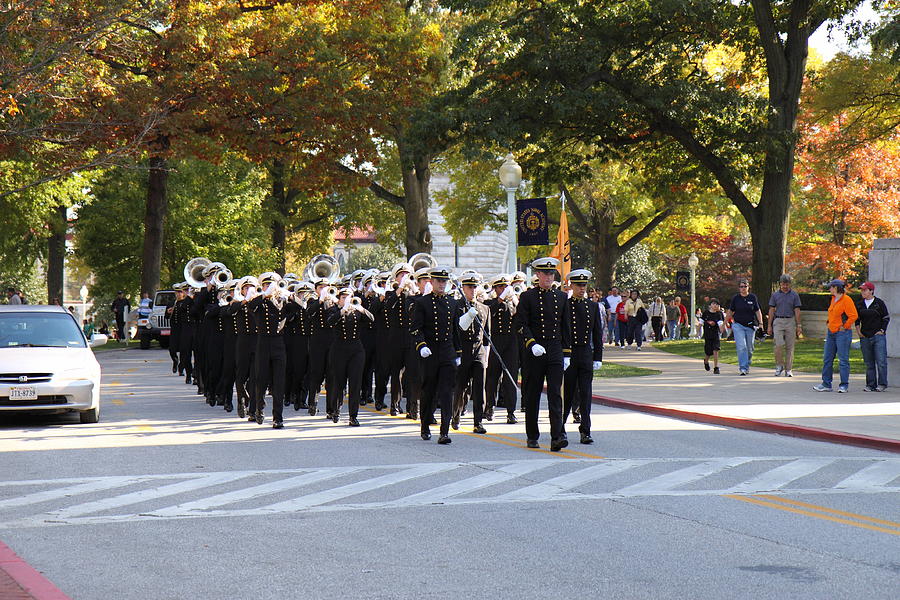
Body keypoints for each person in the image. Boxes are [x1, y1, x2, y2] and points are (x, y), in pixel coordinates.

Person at [515, 257, 568, 451]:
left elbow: (566, 327)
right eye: (545, 273)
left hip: (554, 349)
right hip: (534, 351)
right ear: (537, 275)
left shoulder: (561, 297)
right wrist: (531, 343)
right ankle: (532, 435)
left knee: (555, 393)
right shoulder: (528, 297)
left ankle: (557, 436)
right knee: (532, 394)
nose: (549, 277)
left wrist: (567, 353)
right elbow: (521, 324)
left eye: (551, 273)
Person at [411, 267, 460, 444]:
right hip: (430, 352)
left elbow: (455, 331)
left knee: (447, 393)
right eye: (439, 281)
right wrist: (421, 345)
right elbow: (416, 328)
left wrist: (458, 353)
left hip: (447, 352)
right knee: (429, 391)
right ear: (431, 282)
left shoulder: (452, 303)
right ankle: (425, 426)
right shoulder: (422, 303)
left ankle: (444, 431)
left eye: (444, 281)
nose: (442, 284)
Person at [562, 269, 603, 444]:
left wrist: (598, 357)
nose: (581, 288)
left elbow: (597, 334)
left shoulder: (592, 307)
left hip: (585, 353)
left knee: (586, 394)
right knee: (568, 394)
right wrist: (564, 352)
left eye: (584, 285)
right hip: (570, 354)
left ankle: (585, 430)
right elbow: (562, 331)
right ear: (571, 285)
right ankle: (560, 428)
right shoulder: (565, 305)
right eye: (578, 285)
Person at [452, 272, 489, 434]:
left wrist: (486, 354)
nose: (472, 290)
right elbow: (458, 329)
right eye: (469, 287)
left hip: (479, 350)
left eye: (475, 287)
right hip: (463, 349)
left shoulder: (484, 308)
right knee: (461, 386)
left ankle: (478, 421)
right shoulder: (456, 306)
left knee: (479, 387)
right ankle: (456, 416)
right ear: (463, 288)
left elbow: (487, 335)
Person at [813, 279, 858, 393]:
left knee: (843, 360)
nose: (829, 289)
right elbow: (834, 314)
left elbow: (853, 315)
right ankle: (826, 384)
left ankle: (844, 385)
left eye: (831, 287)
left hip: (842, 333)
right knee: (827, 358)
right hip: (831, 333)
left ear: (837, 288)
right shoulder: (833, 299)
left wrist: (845, 325)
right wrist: (829, 322)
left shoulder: (846, 300)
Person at [855, 282, 889, 392]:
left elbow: (886, 318)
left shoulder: (879, 303)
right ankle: (870, 384)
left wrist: (882, 330)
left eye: (865, 290)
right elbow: (856, 319)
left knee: (881, 362)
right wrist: (859, 332)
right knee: (869, 362)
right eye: (861, 290)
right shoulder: (860, 304)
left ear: (871, 291)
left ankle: (882, 384)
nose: (863, 292)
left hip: (878, 337)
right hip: (865, 336)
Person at [767, 274, 802, 377]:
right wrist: (769, 325)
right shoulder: (775, 295)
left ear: (789, 284)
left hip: (790, 321)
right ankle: (779, 365)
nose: (785, 286)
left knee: (790, 346)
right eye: (783, 284)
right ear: (780, 284)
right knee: (778, 344)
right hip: (778, 320)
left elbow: (797, 310)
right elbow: (771, 309)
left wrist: (799, 325)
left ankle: (789, 369)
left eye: (787, 284)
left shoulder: (794, 295)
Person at [726, 279, 763, 376]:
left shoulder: (752, 297)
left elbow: (757, 311)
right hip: (738, 325)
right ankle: (743, 368)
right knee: (742, 346)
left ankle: (747, 363)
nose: (743, 288)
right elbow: (730, 311)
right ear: (739, 288)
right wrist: (724, 323)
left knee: (750, 348)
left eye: (745, 286)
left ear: (748, 287)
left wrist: (761, 323)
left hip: (750, 326)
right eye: (741, 287)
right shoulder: (736, 298)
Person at [701, 299, 726, 374]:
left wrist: (722, 329)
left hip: (716, 334)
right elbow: (701, 322)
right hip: (707, 335)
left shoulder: (719, 314)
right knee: (708, 352)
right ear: (710, 305)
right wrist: (696, 332)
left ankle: (716, 367)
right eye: (714, 304)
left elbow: (721, 323)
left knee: (716, 350)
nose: (715, 305)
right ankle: (706, 361)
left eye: (717, 304)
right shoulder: (706, 313)